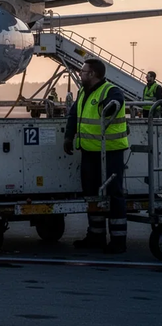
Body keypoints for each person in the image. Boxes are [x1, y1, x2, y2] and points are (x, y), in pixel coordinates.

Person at [64, 58, 128, 254]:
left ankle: (118, 239)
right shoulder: (83, 91)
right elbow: (74, 115)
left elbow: (117, 101)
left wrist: (110, 106)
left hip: (110, 151)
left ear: (92, 74)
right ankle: (96, 235)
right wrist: (68, 137)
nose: (80, 74)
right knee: (91, 193)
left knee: (114, 193)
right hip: (89, 151)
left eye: (83, 71)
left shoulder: (110, 90)